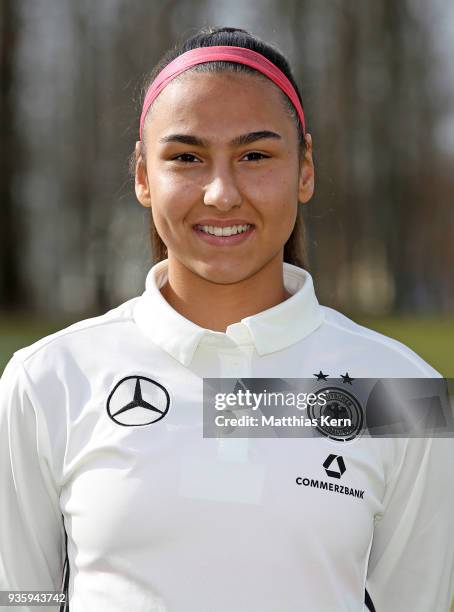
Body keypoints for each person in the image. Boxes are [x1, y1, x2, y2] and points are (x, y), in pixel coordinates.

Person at [0, 25, 453, 612]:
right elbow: (22, 598)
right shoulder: (47, 380)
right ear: (142, 174)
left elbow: (415, 601)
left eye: (255, 156)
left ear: (305, 168)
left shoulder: (401, 390)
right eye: (186, 157)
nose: (221, 193)